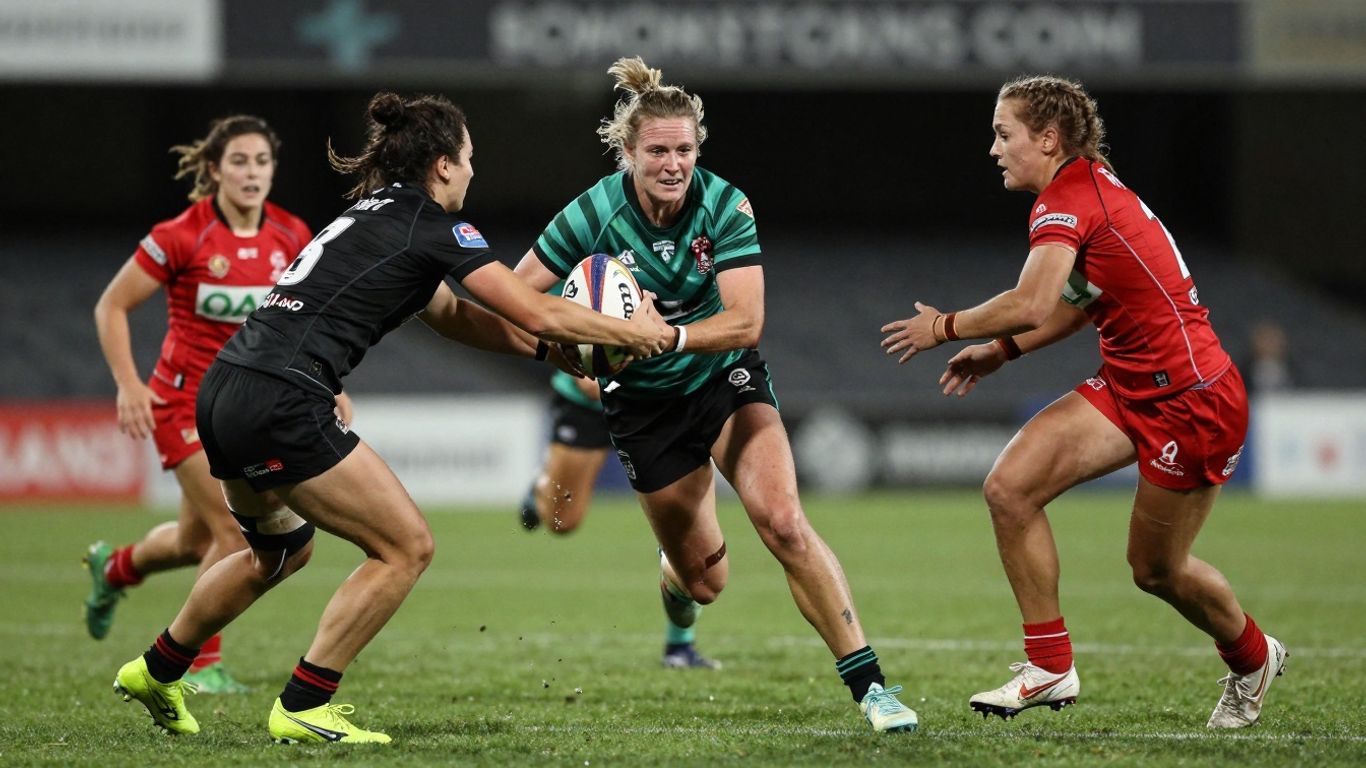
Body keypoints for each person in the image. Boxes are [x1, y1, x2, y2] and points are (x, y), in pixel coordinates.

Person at [110, 91, 671, 744]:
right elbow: (534, 308)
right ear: (440, 165)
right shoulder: (434, 227)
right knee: (405, 546)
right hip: (285, 397)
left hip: (227, 389)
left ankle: (156, 668)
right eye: (467, 158)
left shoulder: (372, 216)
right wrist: (632, 334)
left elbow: (456, 316)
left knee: (277, 551)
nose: (471, 171)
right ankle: (304, 702)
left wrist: (555, 354)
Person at [513, 56, 918, 733]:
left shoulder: (725, 204)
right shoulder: (591, 212)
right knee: (704, 582)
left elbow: (746, 322)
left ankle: (871, 686)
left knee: (784, 522)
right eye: (658, 151)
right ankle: (674, 582)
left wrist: (663, 337)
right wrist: (574, 344)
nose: (674, 164)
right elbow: (519, 297)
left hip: (721, 380)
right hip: (641, 406)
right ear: (628, 152)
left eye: (685, 149)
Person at [880, 74, 1285, 729]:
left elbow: (1034, 302)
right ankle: (1049, 668)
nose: (994, 148)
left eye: (1003, 133)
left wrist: (947, 326)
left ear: (1047, 137)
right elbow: (1079, 303)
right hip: (1132, 386)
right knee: (1010, 488)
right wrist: (1002, 352)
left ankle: (1253, 657)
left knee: (1156, 571)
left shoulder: (1068, 199)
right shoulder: (1082, 190)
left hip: (1193, 400)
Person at [87, 115, 320, 694]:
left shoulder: (292, 235)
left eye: (262, 162)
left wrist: (327, 381)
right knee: (234, 530)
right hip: (182, 404)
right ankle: (201, 664)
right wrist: (128, 383)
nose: (251, 173)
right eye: (239, 161)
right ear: (214, 169)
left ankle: (113, 568)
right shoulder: (181, 235)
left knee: (197, 541)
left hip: (247, 409)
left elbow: (303, 321)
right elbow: (111, 307)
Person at [518, 370, 721, 670]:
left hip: (659, 408)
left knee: (683, 532)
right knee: (562, 522)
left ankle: (679, 646)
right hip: (593, 404)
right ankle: (543, 487)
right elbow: (588, 383)